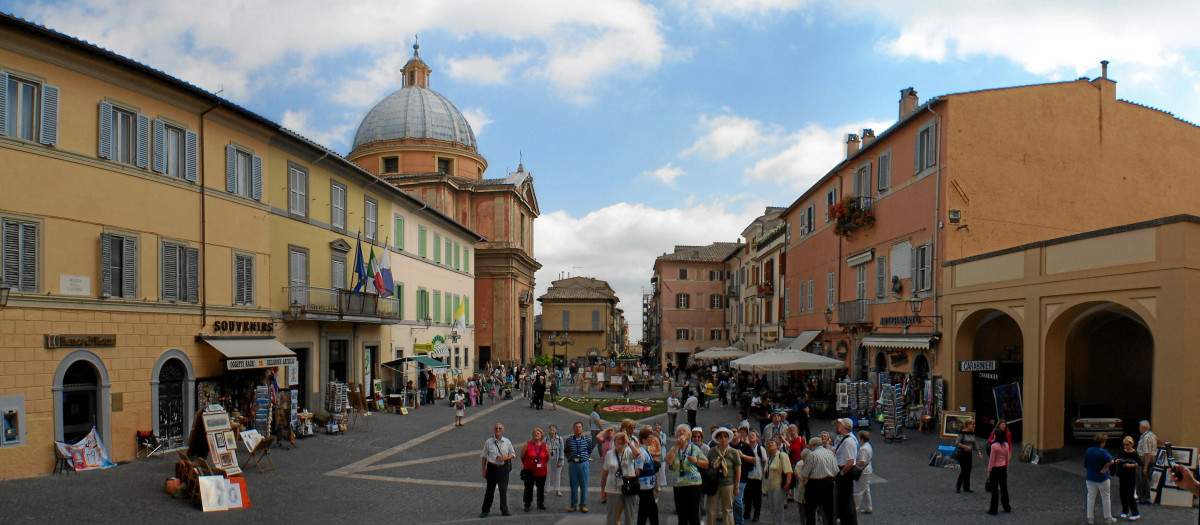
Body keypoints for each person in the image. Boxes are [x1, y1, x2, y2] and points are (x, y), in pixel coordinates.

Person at [667, 423, 709, 525]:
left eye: (684, 431)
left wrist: (696, 461)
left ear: (689, 436)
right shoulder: (674, 449)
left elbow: (706, 464)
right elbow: (668, 461)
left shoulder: (694, 449)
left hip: (693, 484)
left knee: (693, 514)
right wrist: (677, 445)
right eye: (679, 431)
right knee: (681, 514)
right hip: (679, 484)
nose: (681, 432)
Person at [706, 427, 744, 525]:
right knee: (711, 509)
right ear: (718, 439)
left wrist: (737, 486)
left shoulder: (733, 452)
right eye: (721, 437)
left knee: (727, 509)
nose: (723, 439)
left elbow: (738, 469)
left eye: (725, 437)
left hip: (728, 483)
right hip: (714, 483)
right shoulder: (712, 452)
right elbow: (707, 466)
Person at [480, 423, 517, 518]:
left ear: (503, 430)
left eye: (500, 428)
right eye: (496, 428)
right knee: (490, 490)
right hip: (492, 467)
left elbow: (513, 454)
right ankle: (485, 510)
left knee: (503, 490)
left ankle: (504, 510)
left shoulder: (507, 442)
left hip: (503, 468)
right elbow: (484, 457)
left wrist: (505, 457)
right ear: (494, 430)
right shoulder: (488, 442)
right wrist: (483, 470)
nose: (498, 430)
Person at [602, 432, 638, 525]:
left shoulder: (629, 451)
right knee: (612, 515)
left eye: (623, 439)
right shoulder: (609, 454)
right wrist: (603, 490)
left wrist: (628, 442)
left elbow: (637, 453)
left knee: (629, 514)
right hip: (612, 487)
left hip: (628, 486)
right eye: (618, 439)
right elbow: (605, 472)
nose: (621, 441)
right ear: (614, 441)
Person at [801, 438, 837, 525]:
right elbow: (836, 470)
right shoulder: (830, 453)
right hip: (829, 482)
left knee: (810, 510)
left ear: (813, 445)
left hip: (815, 484)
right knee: (829, 510)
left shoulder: (812, 455)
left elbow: (804, 473)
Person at [1084, 434, 1117, 524]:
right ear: (1102, 442)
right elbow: (1111, 461)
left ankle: (1090, 518)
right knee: (1106, 497)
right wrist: (1105, 467)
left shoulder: (1088, 450)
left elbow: (1086, 464)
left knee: (1091, 497)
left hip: (1090, 477)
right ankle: (1108, 518)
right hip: (1102, 478)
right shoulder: (1103, 452)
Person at [833, 418, 859, 525]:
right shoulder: (849, 438)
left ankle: (848, 521)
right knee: (846, 499)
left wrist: (841, 474)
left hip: (845, 472)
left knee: (845, 500)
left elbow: (850, 461)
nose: (838, 426)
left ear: (843, 426)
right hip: (846, 471)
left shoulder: (848, 441)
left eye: (839, 424)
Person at [564, 422, 594, 513]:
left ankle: (583, 504)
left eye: (580, 427)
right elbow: (566, 451)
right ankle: (573, 504)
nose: (578, 429)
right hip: (573, 464)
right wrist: (571, 459)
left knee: (584, 484)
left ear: (582, 429)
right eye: (576, 427)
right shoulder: (569, 440)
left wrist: (584, 458)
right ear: (574, 429)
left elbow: (589, 450)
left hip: (584, 463)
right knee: (573, 485)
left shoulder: (587, 440)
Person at [762, 438, 793, 525]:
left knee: (778, 509)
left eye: (772, 443)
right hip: (770, 487)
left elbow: (788, 471)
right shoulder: (769, 459)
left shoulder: (782, 456)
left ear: (777, 446)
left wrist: (787, 484)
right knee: (772, 508)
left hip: (779, 486)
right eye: (768, 444)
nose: (770, 445)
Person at [986, 420, 1013, 515]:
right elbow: (1007, 459)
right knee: (1004, 488)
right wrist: (1006, 468)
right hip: (1003, 468)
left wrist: (989, 471)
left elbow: (991, 460)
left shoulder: (994, 446)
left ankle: (993, 509)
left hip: (995, 469)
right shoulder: (1006, 446)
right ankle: (1006, 506)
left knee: (994, 490)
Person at [521, 428, 550, 512]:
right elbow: (522, 457)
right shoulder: (527, 445)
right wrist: (527, 464)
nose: (537, 434)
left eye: (538, 433)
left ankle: (540, 503)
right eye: (535, 433)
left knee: (541, 488)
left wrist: (542, 464)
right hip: (529, 470)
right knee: (528, 488)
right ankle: (527, 504)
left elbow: (547, 457)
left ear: (541, 436)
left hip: (541, 471)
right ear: (532, 435)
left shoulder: (545, 446)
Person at [636, 427, 661, 525]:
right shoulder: (641, 452)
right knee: (651, 509)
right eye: (650, 437)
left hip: (648, 485)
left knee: (645, 509)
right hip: (644, 486)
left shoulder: (646, 450)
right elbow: (638, 469)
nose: (652, 439)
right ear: (643, 439)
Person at [741, 430, 766, 523]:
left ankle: (756, 513)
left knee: (757, 497)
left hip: (757, 476)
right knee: (747, 496)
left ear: (757, 438)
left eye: (753, 435)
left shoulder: (760, 449)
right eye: (750, 435)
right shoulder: (745, 447)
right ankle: (747, 512)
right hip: (747, 475)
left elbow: (764, 460)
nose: (751, 436)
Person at [954, 419, 984, 493]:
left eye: (974, 424)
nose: (974, 426)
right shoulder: (962, 433)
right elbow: (957, 443)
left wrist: (979, 452)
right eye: (972, 424)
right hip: (962, 453)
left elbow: (975, 443)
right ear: (968, 425)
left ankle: (966, 487)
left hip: (969, 454)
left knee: (968, 470)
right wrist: (965, 447)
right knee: (964, 470)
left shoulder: (972, 433)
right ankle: (958, 485)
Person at [1116, 436, 1142, 520]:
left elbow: (1140, 463)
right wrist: (1117, 461)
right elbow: (1117, 459)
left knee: (1130, 494)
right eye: (1124, 445)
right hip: (1122, 474)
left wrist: (1132, 465)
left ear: (1131, 444)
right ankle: (1125, 511)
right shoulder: (1122, 452)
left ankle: (1135, 512)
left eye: (1127, 444)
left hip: (1130, 475)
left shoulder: (1134, 453)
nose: (1125, 446)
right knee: (1122, 493)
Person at [1136, 420, 1156, 504]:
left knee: (1141, 479)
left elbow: (1147, 453)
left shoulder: (1146, 438)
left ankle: (1142, 497)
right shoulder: (1151, 435)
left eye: (1140, 427)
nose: (1139, 428)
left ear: (1144, 428)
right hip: (1150, 458)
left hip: (1144, 459)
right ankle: (1145, 497)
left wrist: (1145, 467)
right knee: (1146, 478)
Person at [855, 430, 874, 515]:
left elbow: (862, 462)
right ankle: (868, 507)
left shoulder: (863, 449)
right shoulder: (868, 446)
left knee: (859, 491)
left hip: (863, 471)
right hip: (868, 469)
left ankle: (854, 508)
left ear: (862, 438)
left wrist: (854, 462)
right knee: (866, 489)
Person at [548, 425, 565, 497]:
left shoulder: (560, 439)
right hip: (548, 458)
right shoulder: (546, 439)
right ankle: (546, 489)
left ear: (556, 430)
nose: (552, 429)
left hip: (557, 457)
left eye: (553, 428)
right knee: (547, 474)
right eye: (550, 428)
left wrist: (561, 460)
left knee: (557, 475)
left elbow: (562, 450)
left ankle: (557, 489)